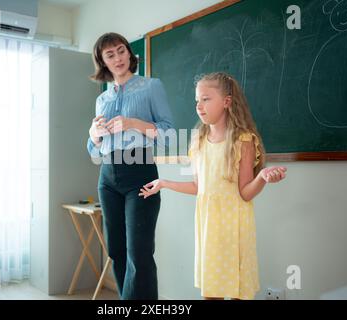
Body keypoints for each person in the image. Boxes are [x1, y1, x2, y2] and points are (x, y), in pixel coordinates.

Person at [139, 72, 287, 300]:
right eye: (197, 100)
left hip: (235, 229)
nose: (199, 105)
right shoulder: (198, 140)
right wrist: (164, 183)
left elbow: (246, 193)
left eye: (206, 99)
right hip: (209, 229)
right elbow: (200, 187)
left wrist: (262, 178)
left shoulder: (243, 140)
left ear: (226, 102)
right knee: (211, 292)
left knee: (238, 292)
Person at [87, 32, 174, 300]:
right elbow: (95, 150)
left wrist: (134, 123)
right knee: (116, 251)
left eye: (121, 51)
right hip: (108, 176)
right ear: (103, 62)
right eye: (110, 54)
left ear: (129, 53)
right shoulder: (102, 99)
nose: (118, 58)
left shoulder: (151, 86)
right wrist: (93, 134)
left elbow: (169, 135)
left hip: (140, 170)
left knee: (139, 252)